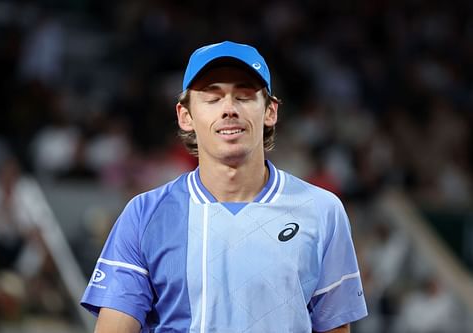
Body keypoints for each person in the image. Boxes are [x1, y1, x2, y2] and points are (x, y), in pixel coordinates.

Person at [80, 41, 368, 333]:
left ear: (270, 111)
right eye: (212, 98)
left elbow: (335, 327)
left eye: (244, 96)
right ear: (185, 115)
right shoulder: (144, 215)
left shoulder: (322, 210)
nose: (229, 109)